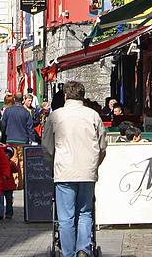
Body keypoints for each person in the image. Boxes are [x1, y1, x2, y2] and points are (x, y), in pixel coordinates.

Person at [41, 81, 107, 257]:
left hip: (64, 171)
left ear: (65, 96)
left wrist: (52, 166)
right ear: (83, 96)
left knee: (65, 217)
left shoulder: (55, 116)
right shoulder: (93, 116)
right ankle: (83, 249)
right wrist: (94, 165)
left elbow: (47, 147)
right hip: (86, 172)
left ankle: (68, 253)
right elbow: (102, 146)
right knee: (85, 213)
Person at [0, 93, 34, 190]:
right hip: (23, 140)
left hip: (10, 139)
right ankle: (22, 183)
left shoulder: (8, 111)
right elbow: (30, 128)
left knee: (12, 160)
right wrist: (31, 140)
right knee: (22, 162)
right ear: (23, 99)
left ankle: (13, 182)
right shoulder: (26, 112)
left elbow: (3, 124)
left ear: (14, 99)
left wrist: (4, 136)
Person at [0, 144, 19, 219]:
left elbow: (16, 170)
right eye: (5, 153)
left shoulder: (11, 163)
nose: (6, 155)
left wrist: (13, 166)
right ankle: (0, 213)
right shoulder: (0, 162)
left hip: (9, 185)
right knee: (0, 201)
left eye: (8, 154)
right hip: (1, 185)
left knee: (9, 201)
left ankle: (9, 213)